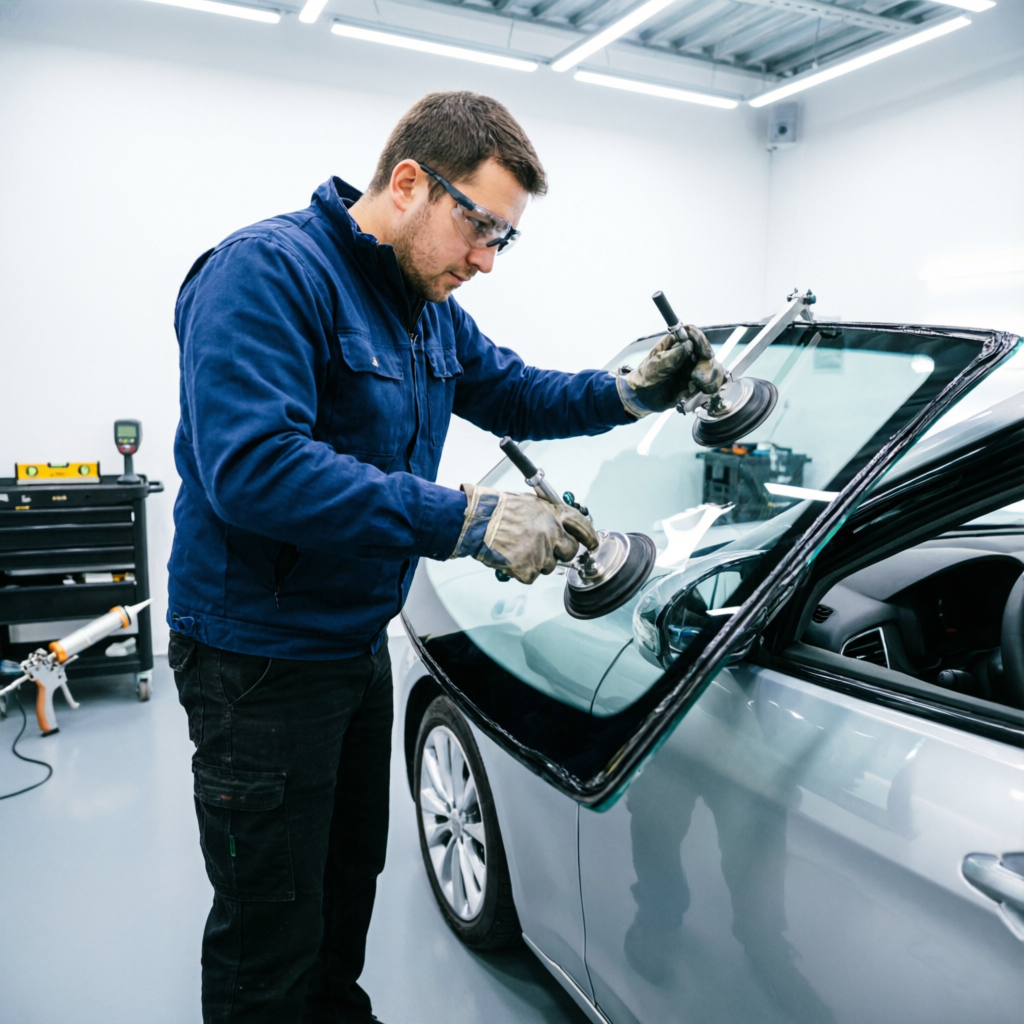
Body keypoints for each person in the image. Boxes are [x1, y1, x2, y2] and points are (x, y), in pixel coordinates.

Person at [166, 90, 721, 1024]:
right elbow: (254, 469)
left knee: (345, 887)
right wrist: (468, 519)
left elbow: (517, 392)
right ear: (409, 183)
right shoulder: (267, 272)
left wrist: (629, 393)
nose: (485, 260)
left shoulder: (423, 307)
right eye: (479, 227)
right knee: (271, 926)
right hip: (255, 662)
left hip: (352, 646)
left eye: (505, 239)